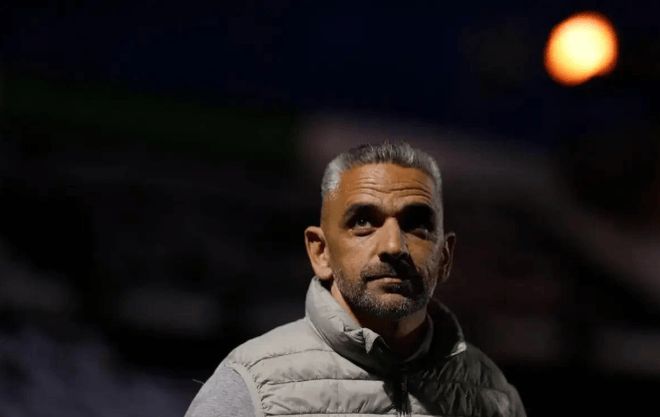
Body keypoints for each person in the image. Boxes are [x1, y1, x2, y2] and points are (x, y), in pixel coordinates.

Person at [185, 142, 526, 417]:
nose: (394, 246)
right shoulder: (255, 387)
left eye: (416, 225)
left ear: (445, 257)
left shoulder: (492, 395)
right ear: (321, 252)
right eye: (363, 222)